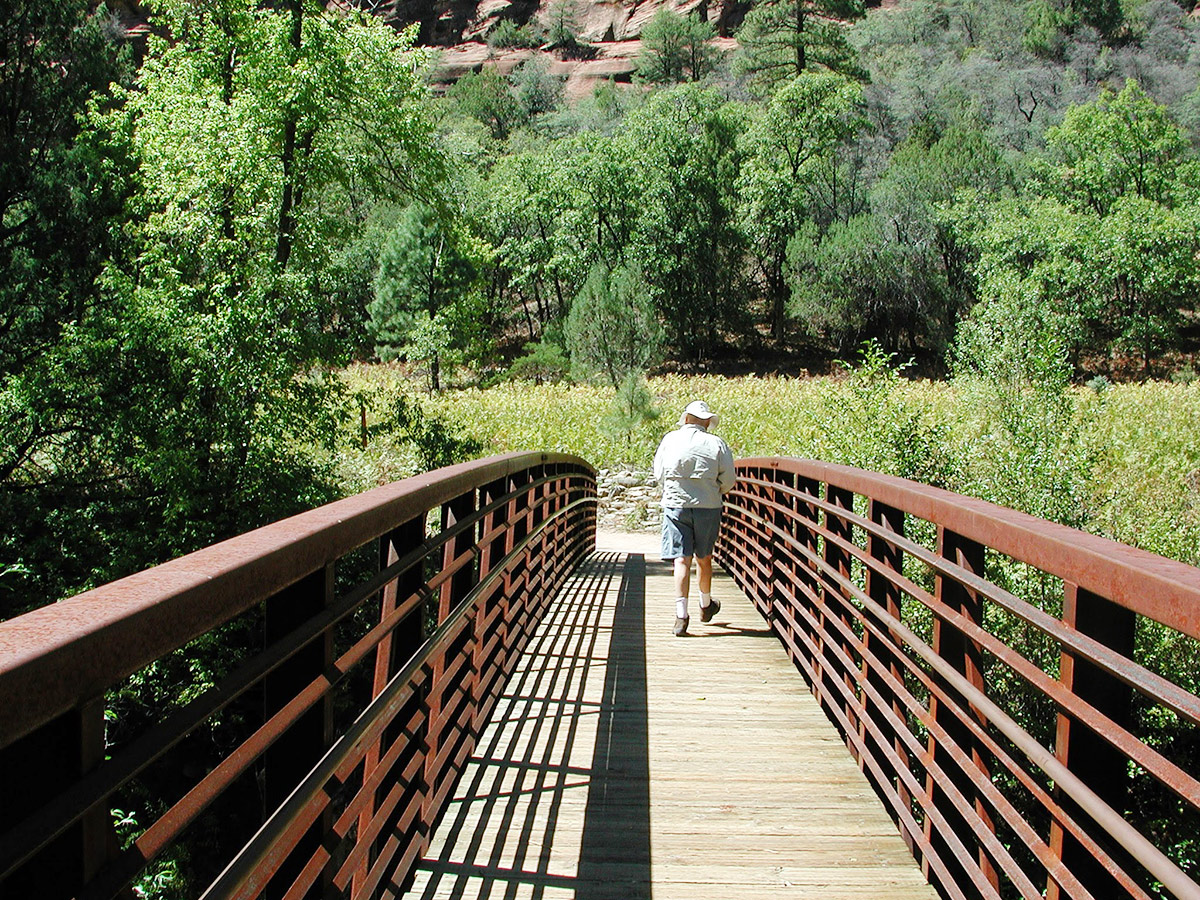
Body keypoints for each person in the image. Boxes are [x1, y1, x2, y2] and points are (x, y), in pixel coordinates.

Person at [653, 400, 735, 636]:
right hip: (708, 506)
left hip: (676, 504)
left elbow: (659, 473)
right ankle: (705, 604)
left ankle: (681, 616)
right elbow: (728, 480)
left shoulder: (670, 440)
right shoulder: (717, 443)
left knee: (681, 560)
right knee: (704, 557)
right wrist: (714, 490)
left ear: (686, 419)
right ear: (708, 421)